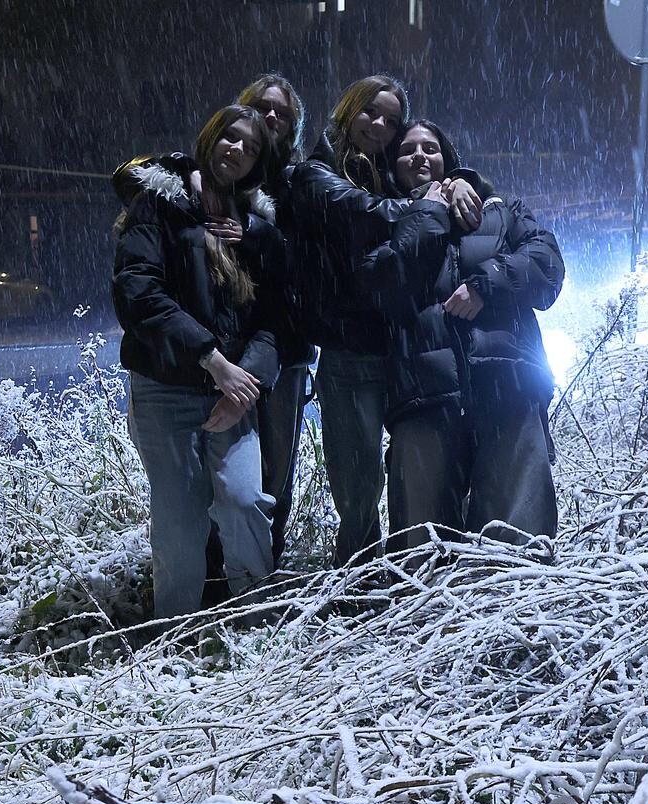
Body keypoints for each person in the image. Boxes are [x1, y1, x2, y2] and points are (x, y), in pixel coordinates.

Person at [287, 75, 484, 566]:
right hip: (350, 348)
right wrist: (431, 200)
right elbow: (364, 213)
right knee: (357, 485)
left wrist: (457, 181)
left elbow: (431, 190)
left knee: (408, 477)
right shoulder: (318, 174)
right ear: (348, 109)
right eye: (370, 112)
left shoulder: (385, 172)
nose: (380, 124)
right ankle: (355, 587)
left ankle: (400, 578)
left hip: (399, 347)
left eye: (391, 120)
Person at [110, 105, 283, 618]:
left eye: (251, 147)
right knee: (180, 518)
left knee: (246, 499)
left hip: (233, 391)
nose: (238, 151)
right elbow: (138, 293)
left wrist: (244, 382)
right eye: (231, 138)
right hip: (165, 387)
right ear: (210, 136)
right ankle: (173, 634)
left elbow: (273, 320)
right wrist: (212, 360)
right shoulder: (159, 203)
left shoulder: (252, 224)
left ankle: (257, 624)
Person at [359, 120, 564, 551]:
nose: (419, 155)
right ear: (392, 167)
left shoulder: (501, 212)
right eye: (408, 149)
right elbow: (382, 287)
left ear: (448, 160)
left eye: (430, 148)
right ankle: (429, 622)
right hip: (423, 398)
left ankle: (514, 620)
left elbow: (546, 265)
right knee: (421, 550)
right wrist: (429, 211)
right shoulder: (382, 220)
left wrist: (485, 284)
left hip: (508, 387)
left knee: (516, 544)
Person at [235, 73, 313, 565]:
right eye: (261, 107)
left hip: (286, 345)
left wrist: (255, 231)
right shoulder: (221, 170)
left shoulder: (299, 182)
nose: (270, 117)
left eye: (280, 112)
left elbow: (306, 260)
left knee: (275, 468)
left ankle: (266, 571)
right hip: (226, 343)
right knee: (224, 469)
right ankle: (223, 577)